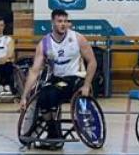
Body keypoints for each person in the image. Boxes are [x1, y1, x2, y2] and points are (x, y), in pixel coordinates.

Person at [22, 9, 99, 146]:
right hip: (57, 79)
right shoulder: (44, 43)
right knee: (42, 96)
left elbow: (92, 62)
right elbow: (34, 71)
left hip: (75, 78)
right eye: (59, 21)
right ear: (52, 22)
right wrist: (24, 95)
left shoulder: (78, 38)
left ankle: (53, 134)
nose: (63, 24)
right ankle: (54, 131)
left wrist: (87, 84)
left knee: (52, 93)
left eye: (65, 21)